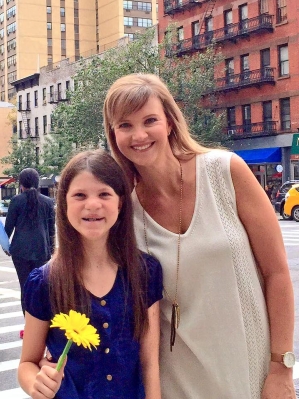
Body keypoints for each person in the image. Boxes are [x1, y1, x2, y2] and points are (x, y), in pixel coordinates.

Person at [103, 73, 296, 399]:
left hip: (249, 368)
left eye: (149, 120)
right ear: (113, 134)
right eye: (125, 125)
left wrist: (281, 367)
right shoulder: (121, 210)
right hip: (173, 380)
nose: (139, 134)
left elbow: (277, 274)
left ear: (170, 122)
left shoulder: (225, 171)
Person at [18, 150, 163, 399]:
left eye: (104, 194)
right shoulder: (44, 282)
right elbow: (27, 363)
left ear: (120, 202)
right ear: (64, 204)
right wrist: (36, 384)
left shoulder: (145, 272)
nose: (93, 204)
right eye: (80, 195)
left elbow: (149, 364)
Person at [5, 168, 55, 337]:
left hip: (20, 252)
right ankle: (45, 327)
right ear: (37, 182)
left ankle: (30, 328)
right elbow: (51, 231)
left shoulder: (16, 201)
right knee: (42, 288)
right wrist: (52, 249)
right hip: (42, 251)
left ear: (21, 184)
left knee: (25, 288)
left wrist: (7, 247)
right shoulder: (48, 202)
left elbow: (7, 229)